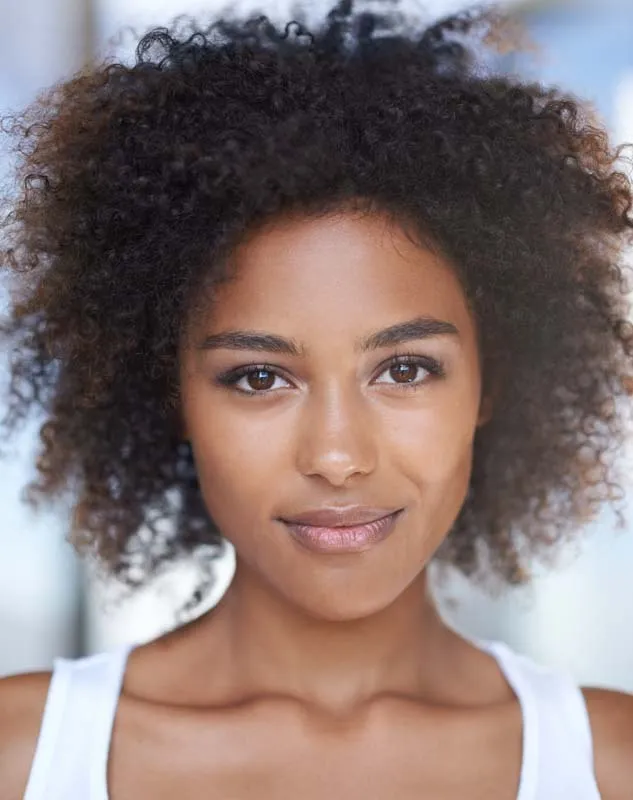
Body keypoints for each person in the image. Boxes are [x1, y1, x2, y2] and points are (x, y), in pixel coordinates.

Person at [0, 0, 632, 796]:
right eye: (259, 378)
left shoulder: (610, 764)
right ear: (169, 396)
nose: (336, 456)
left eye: (404, 369)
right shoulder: (22, 756)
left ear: (490, 382)